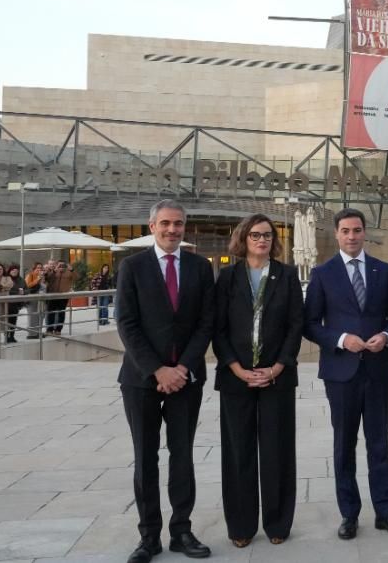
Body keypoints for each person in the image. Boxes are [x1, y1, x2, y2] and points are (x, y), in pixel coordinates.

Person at [116, 200, 216, 563]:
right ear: (152, 225)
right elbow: (127, 324)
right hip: (142, 379)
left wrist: (183, 367)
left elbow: (207, 322)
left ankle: (182, 530)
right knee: (145, 458)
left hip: (186, 379)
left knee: (182, 456)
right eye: (165, 224)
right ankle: (148, 536)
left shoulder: (200, 267)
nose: (172, 230)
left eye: (178, 224)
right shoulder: (132, 266)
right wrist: (158, 370)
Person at [304, 208, 388, 540]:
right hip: (341, 372)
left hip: (377, 371)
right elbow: (308, 324)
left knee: (379, 444)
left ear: (365, 232)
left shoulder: (384, 270)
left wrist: (387, 336)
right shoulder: (322, 273)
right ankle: (349, 514)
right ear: (336, 234)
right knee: (344, 444)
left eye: (357, 230)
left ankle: (385, 511)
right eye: (346, 231)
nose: (352, 236)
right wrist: (340, 339)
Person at [212, 214, 303, 548]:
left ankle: (278, 523)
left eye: (267, 235)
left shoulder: (288, 275)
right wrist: (235, 368)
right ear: (243, 238)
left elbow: (296, 325)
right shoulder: (227, 277)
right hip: (236, 379)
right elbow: (217, 328)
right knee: (239, 453)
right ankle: (241, 526)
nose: (262, 240)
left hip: (276, 378)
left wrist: (278, 366)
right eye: (255, 235)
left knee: (277, 451)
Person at [47, 260, 74, 335]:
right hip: (53, 295)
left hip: (63, 296)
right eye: (59, 265)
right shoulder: (54, 272)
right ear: (57, 265)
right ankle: (49, 329)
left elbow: (77, 277)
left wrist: (72, 270)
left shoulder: (69, 273)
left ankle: (58, 329)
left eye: (63, 265)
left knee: (61, 313)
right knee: (50, 313)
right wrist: (55, 271)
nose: (61, 267)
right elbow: (48, 278)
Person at [24, 262, 45, 339]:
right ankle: (31, 334)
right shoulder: (30, 275)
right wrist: (37, 279)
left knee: (39, 315)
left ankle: (38, 332)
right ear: (34, 269)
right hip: (32, 298)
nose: (39, 269)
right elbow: (27, 285)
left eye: (40, 268)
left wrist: (42, 280)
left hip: (40, 298)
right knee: (32, 316)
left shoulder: (42, 276)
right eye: (37, 268)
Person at [5, 264, 25, 343]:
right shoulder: (6, 279)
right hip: (7, 303)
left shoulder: (21, 280)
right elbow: (6, 290)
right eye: (13, 270)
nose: (15, 272)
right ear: (10, 271)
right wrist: (17, 292)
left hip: (16, 304)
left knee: (13, 320)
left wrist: (23, 292)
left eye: (16, 271)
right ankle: (7, 336)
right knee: (6, 321)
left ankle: (12, 336)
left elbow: (27, 289)